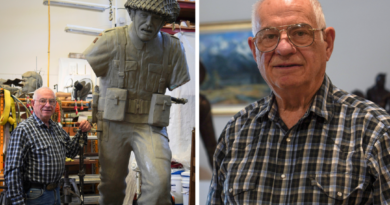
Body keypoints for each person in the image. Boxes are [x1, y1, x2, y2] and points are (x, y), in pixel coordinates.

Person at [207, 0, 390, 204]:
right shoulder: (235, 133)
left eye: (300, 33)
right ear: (254, 50)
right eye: (269, 36)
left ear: (327, 43)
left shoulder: (376, 132)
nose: (284, 48)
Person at [82, 0, 190, 204]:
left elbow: (178, 80)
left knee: (160, 186)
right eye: (144, 15)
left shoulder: (174, 48)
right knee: (111, 189)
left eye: (156, 17)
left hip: (150, 125)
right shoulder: (110, 40)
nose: (149, 23)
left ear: (163, 21)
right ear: (132, 13)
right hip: (113, 125)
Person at [5, 87, 91, 205]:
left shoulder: (56, 128)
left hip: (55, 192)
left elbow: (71, 151)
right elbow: (13, 170)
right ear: (33, 103)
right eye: (43, 101)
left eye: (51, 101)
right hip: (35, 195)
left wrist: (82, 131)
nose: (48, 105)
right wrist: (18, 201)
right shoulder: (23, 130)